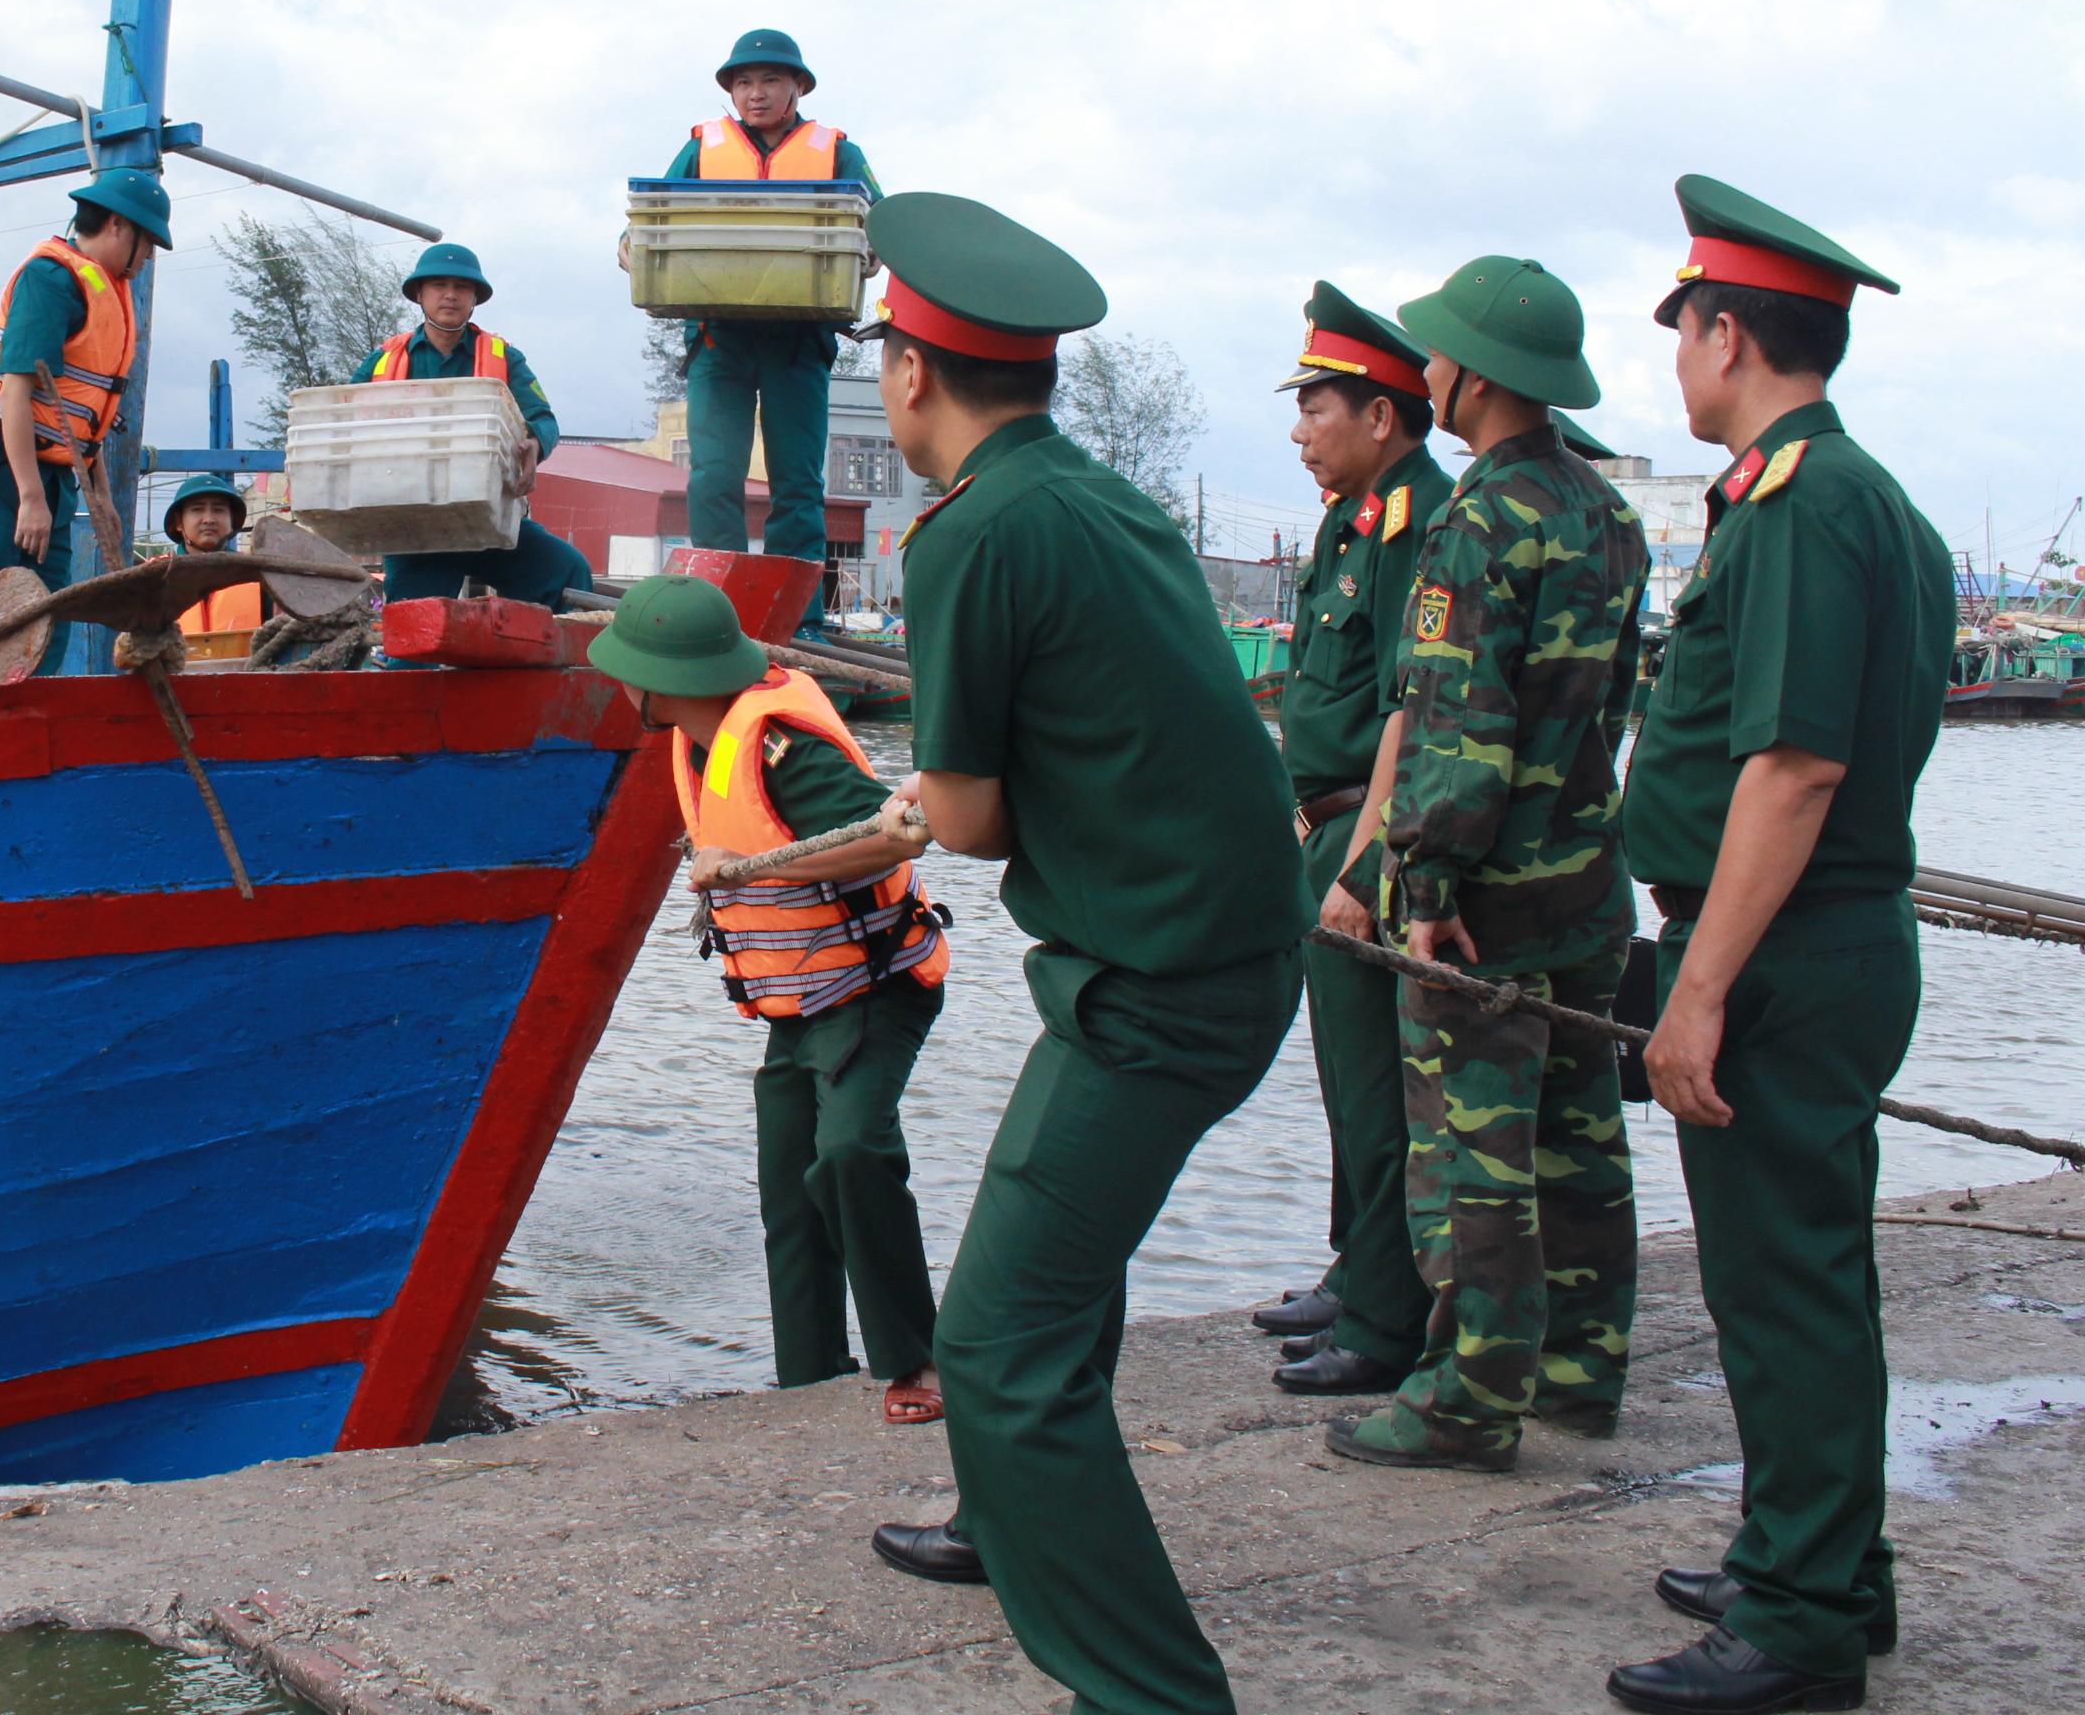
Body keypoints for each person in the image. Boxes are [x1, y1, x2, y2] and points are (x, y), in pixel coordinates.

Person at [854, 193, 1304, 1715]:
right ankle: (1008, 1523)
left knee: (995, 1347)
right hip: (1225, 954)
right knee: (1054, 1260)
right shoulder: (1104, 498)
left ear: (913, 372)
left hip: (1155, 988)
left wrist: (928, 796)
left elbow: (975, 821)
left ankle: (1153, 1693)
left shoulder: (971, 534)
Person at [1608, 177, 1951, 1715]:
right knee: (1809, 1276)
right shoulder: (1861, 499)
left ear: (1728, 335)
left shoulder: (1804, 505)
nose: (1678, 358)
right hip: (1823, 940)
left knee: (1783, 1289)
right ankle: (1818, 1560)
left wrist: (1699, 990)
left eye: (1683, 329)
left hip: (1785, 948)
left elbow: (1795, 768)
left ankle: (1804, 1623)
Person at [1320, 256, 1647, 1478]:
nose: (1429, 368)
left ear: (1476, 376)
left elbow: (1459, 727)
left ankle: (1468, 1397)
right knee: (1579, 1136)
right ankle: (1580, 1371)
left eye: (1440, 353)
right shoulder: (1607, 514)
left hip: (1487, 898)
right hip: (1585, 877)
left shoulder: (1479, 519)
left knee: (1474, 1155)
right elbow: (1610, 705)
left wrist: (1426, 888)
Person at [585, 574, 952, 1423]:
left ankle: (918, 1362)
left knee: (852, 1153)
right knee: (790, 1188)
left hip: (873, 988)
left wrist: (756, 869)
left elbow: (896, 835)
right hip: (800, 1004)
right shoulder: (703, 740)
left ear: (659, 684)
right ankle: (809, 1376)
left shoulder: (785, 750)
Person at [1260, 282, 1454, 1397]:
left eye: (1315, 407)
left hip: (1360, 837)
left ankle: (1388, 1317)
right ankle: (1358, 1268)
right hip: (1317, 825)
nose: (1300, 433)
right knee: (1347, 1082)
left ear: (1381, 416)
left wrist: (1367, 863)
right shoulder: (1354, 518)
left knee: (1384, 1091)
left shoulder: (1420, 523)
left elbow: (1408, 711)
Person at [639, 30, 882, 625]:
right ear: (731, 91)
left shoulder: (839, 151)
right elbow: (652, 216)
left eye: (771, 80)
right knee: (713, 476)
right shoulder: (700, 148)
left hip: (798, 341)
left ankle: (798, 621)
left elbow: (881, 218)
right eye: (744, 82)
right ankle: (716, 616)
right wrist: (629, 246)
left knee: (797, 483)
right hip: (718, 337)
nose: (756, 93)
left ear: (799, 87)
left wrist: (875, 246)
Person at [0, 168, 174, 651]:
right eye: (148, 242)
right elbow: (14, 393)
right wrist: (29, 497)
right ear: (118, 225)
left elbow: (82, 412)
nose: (148, 256)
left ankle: (40, 700)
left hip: (55, 474)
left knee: (48, 618)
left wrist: (101, 496)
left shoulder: (104, 286)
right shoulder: (49, 278)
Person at [349, 242, 592, 610]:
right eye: (439, 285)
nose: (450, 295)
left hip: (491, 519)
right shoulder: (382, 361)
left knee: (566, 569)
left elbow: (543, 419)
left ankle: (555, 647)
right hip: (414, 528)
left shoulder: (505, 358)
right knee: (415, 627)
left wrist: (535, 444)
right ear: (419, 294)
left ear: (475, 298)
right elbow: (340, 423)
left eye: (462, 287)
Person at [163, 472, 262, 643]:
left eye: (218, 510)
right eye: (197, 509)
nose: (209, 519)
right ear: (179, 522)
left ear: (232, 520)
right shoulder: (154, 576)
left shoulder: (256, 574)